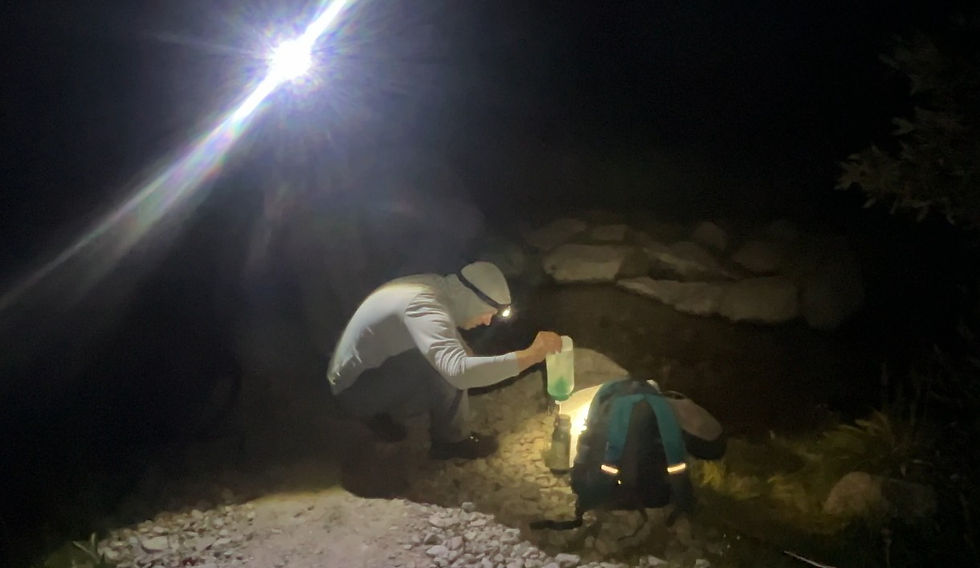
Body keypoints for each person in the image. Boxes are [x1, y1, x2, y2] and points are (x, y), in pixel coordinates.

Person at [327, 261, 562, 460]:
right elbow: (460, 371)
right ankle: (451, 441)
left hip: (364, 372)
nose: (488, 322)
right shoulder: (424, 306)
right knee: (448, 366)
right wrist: (532, 355)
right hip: (354, 390)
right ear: (471, 298)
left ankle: (390, 414)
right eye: (488, 313)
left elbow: (449, 341)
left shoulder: (435, 287)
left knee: (452, 354)